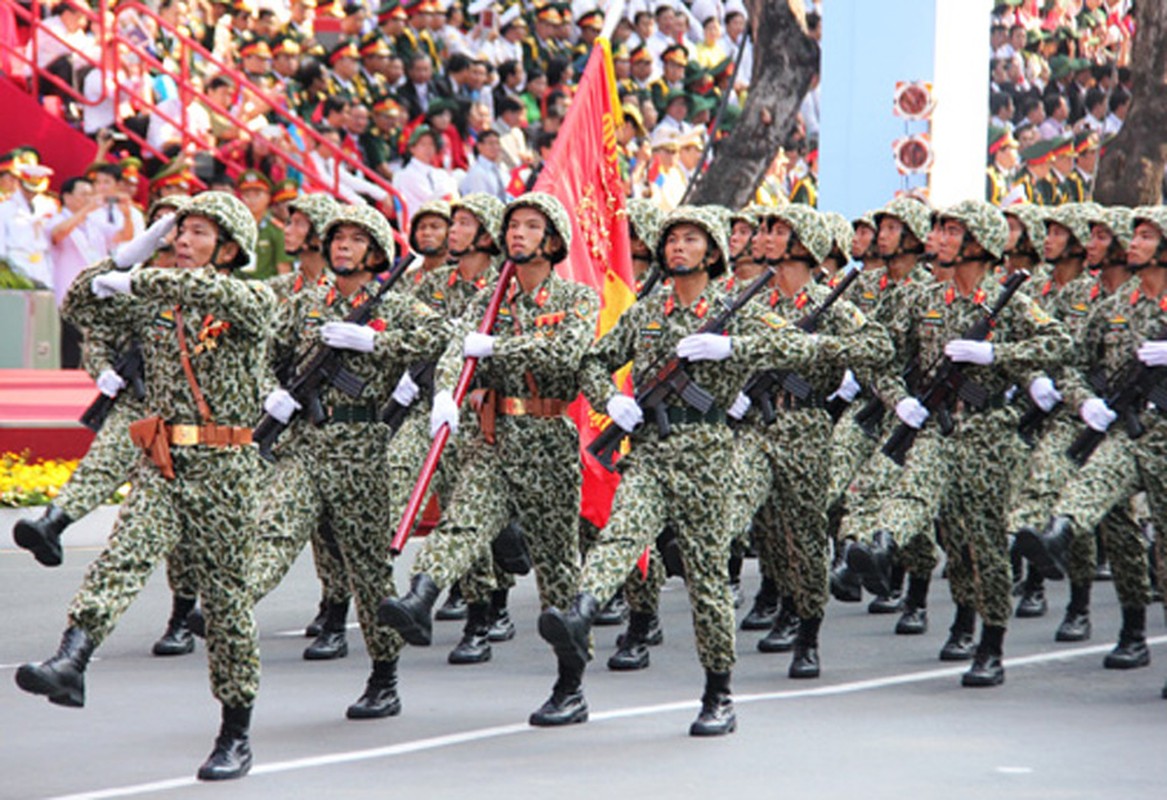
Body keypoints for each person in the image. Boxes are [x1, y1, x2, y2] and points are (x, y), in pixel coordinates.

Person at [16, 192, 275, 781]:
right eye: (179, 232)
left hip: (227, 468)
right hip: (163, 461)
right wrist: (127, 256)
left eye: (199, 233)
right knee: (122, 557)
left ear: (229, 248)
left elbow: (218, 294)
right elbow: (81, 301)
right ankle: (71, 660)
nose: (183, 241)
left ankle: (235, 731)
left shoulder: (250, 297)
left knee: (228, 606)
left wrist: (142, 281)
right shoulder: (155, 301)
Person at [536, 205, 819, 736]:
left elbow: (801, 346)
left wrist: (734, 345)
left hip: (707, 457)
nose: (676, 248)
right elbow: (595, 360)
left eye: (689, 240)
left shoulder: (736, 308)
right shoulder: (649, 310)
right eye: (671, 240)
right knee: (622, 533)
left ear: (711, 253)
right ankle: (582, 608)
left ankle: (718, 692)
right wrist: (610, 399)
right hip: (648, 450)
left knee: (706, 577)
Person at [377, 193, 598, 719]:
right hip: (493, 439)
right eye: (513, 226)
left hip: (546, 442)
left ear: (553, 240)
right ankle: (421, 597)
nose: (517, 234)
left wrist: (499, 350)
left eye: (530, 226)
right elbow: (459, 348)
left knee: (558, 572)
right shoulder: (490, 300)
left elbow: (566, 352)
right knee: (463, 520)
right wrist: (446, 395)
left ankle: (571, 686)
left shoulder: (576, 297)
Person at [845, 199, 1069, 688]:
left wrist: (997, 354)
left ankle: (988, 637)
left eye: (951, 232)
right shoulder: (919, 299)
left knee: (981, 543)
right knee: (915, 491)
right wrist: (898, 398)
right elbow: (878, 355)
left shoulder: (1007, 298)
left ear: (978, 244)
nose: (939, 239)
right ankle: (881, 544)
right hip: (936, 427)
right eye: (939, 230)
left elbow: (1058, 344)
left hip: (989, 434)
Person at [255, 203, 446, 719]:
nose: (341, 246)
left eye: (355, 240)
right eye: (336, 238)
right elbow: (267, 356)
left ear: (375, 253)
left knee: (369, 571)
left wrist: (376, 341)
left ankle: (384, 678)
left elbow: (441, 339)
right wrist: (272, 395)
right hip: (307, 443)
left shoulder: (398, 305)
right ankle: (236, 598)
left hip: (363, 449)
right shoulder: (305, 304)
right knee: (274, 527)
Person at [1016, 205, 1167, 689]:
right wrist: (1085, 404)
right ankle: (1061, 536)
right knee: (1104, 507)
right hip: (1127, 432)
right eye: (1136, 236)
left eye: (1146, 237)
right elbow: (1073, 365)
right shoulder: (1115, 308)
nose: (1135, 244)